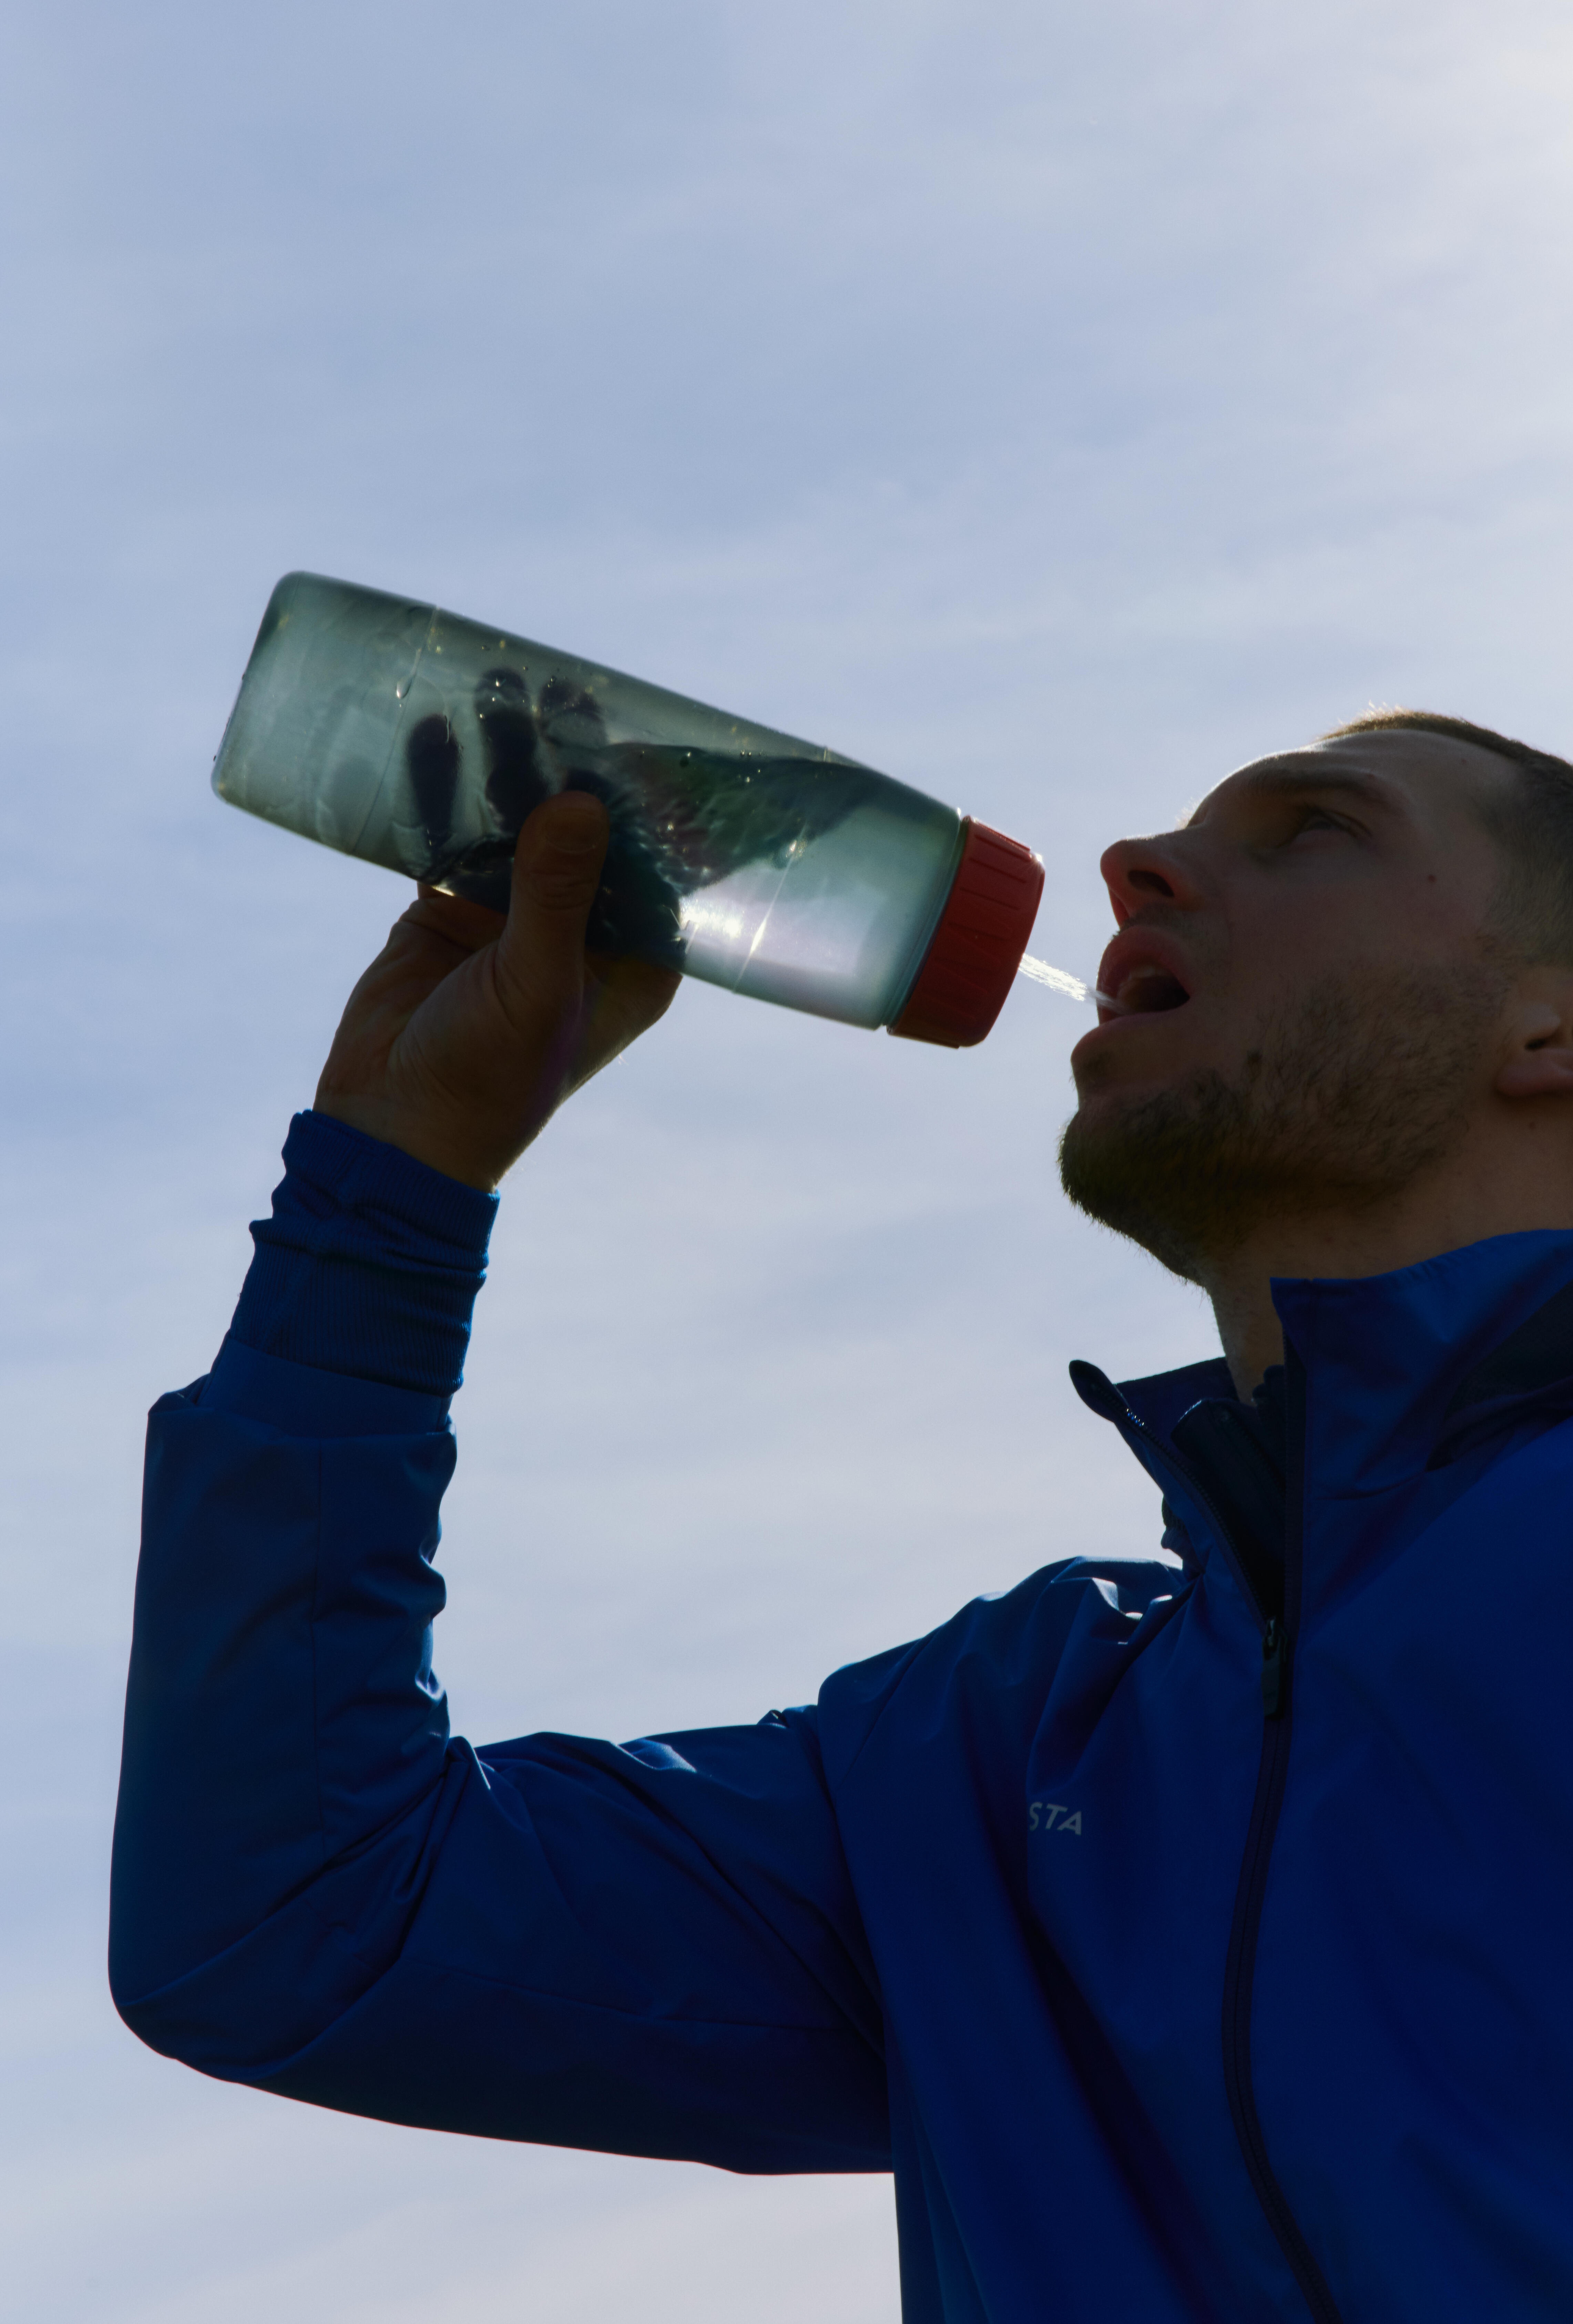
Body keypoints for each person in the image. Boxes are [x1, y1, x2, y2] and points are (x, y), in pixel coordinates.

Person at [111, 709, 1573, 2323]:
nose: (1134, 868)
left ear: (1549, 1025)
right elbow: (299, 1923)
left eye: (1311, 830)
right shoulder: (992, 1764)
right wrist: (388, 1199)